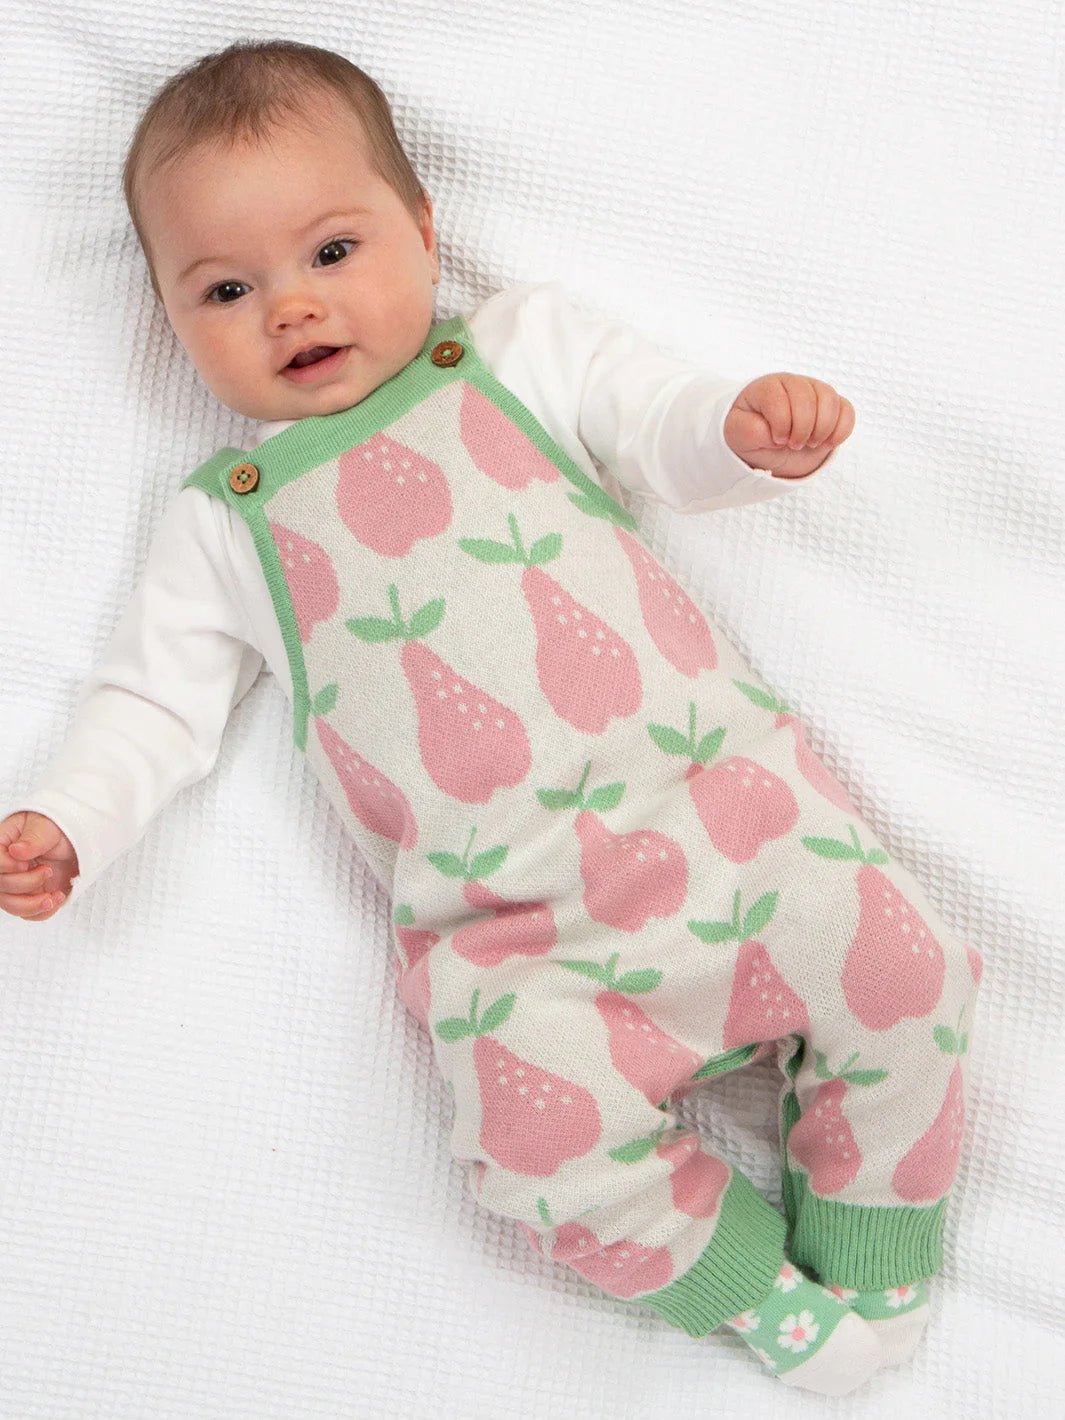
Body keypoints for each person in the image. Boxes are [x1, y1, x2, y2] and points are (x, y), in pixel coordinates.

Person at [0, 39, 980, 1396]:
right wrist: (70, 818)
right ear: (170, 322)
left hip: (733, 829)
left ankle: (874, 1240)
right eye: (225, 289)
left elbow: (657, 425)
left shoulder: (516, 350)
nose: (288, 308)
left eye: (330, 252)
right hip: (520, 942)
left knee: (912, 979)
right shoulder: (227, 523)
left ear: (420, 226)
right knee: (528, 1158)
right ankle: (763, 1293)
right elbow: (149, 703)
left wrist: (739, 431)